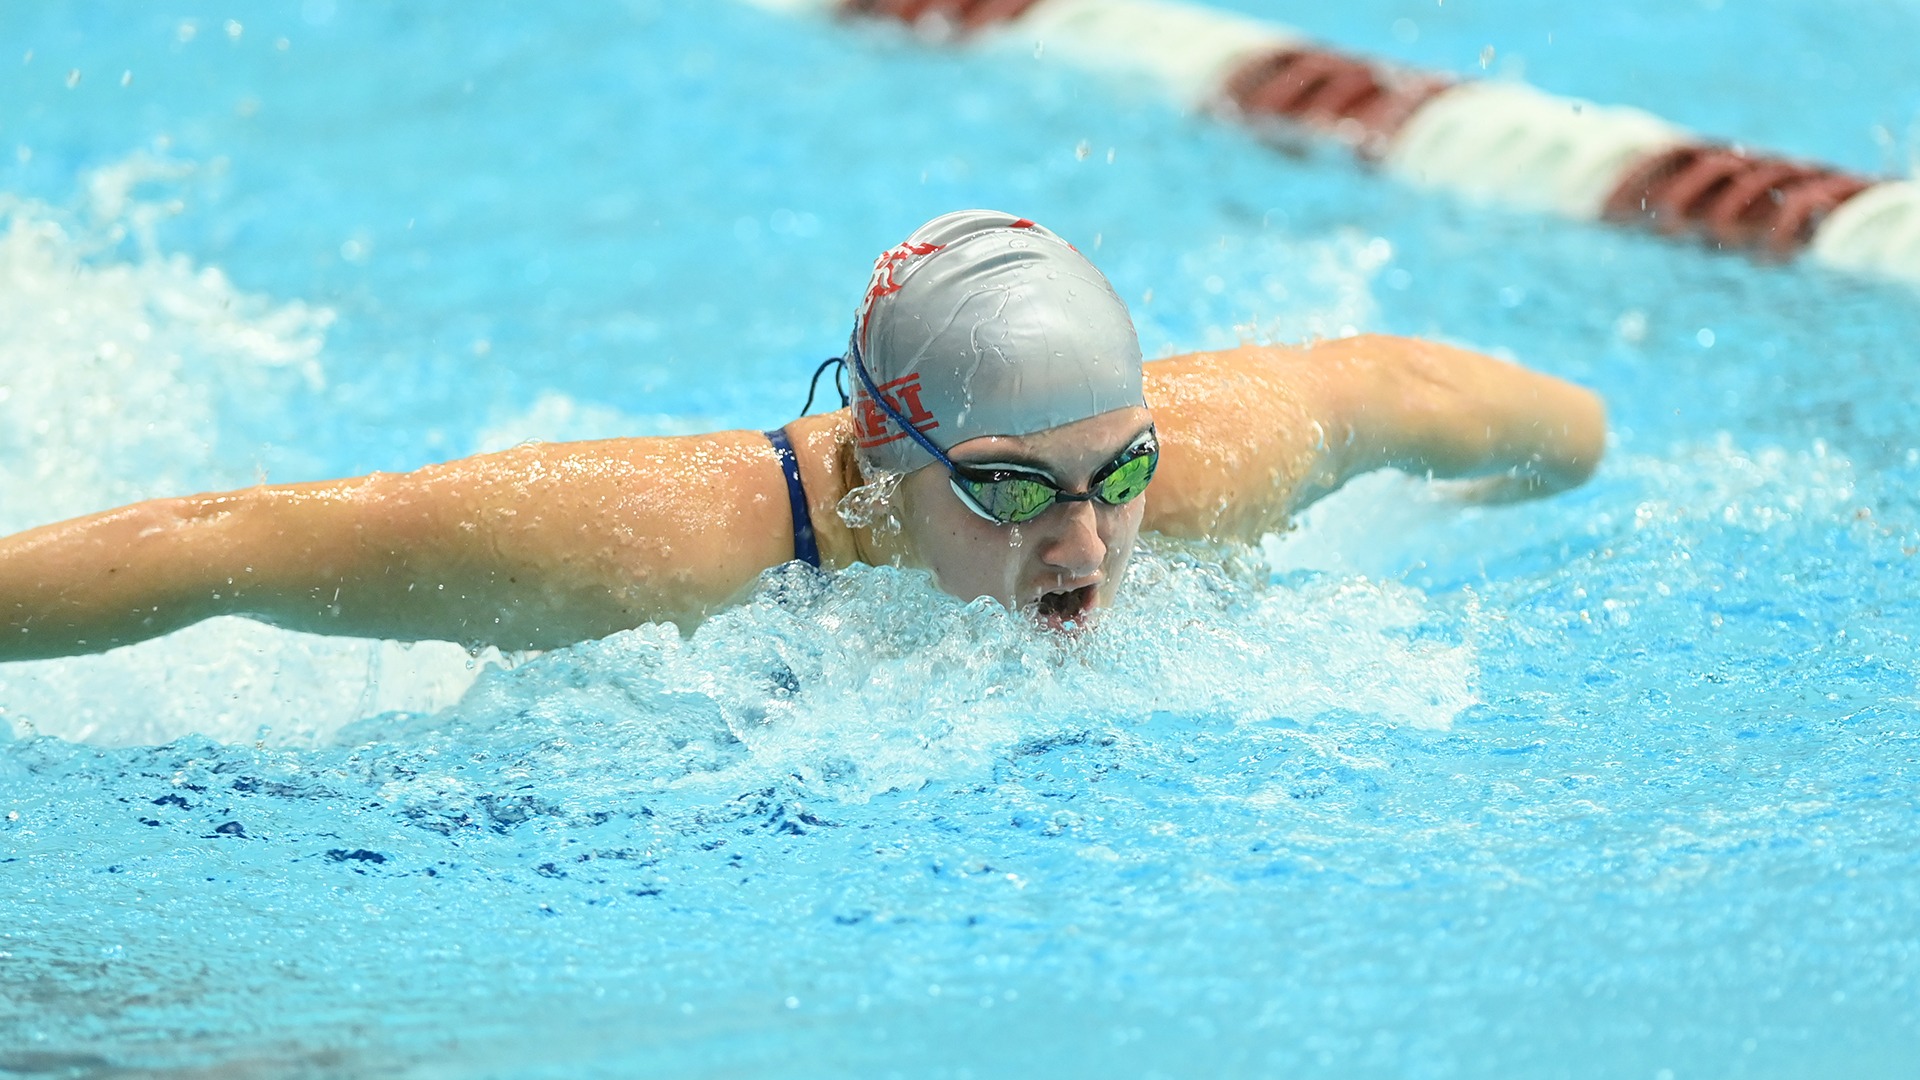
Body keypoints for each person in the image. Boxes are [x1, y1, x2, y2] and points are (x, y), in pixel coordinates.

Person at [0, 210, 1605, 660]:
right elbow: (232, 546)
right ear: (870, 469)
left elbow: (1410, 388)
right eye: (1008, 490)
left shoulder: (1202, 464)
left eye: (1120, 473)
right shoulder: (654, 547)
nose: (1086, 543)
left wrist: (1555, 466)